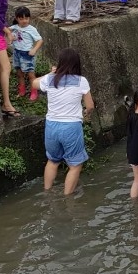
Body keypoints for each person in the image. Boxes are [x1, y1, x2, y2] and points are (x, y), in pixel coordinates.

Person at [38, 48, 95, 194]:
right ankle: (67, 198)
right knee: (75, 165)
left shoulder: (50, 79)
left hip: (51, 126)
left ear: (60, 63)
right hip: (70, 127)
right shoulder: (81, 81)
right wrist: (86, 113)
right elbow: (90, 106)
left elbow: (33, 83)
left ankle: (47, 193)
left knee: (52, 161)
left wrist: (51, 73)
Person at [9, 6, 43, 101]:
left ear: (29, 18)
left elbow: (40, 40)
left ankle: (34, 91)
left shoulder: (31, 29)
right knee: (19, 73)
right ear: (17, 18)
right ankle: (22, 90)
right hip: (16, 53)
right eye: (21, 18)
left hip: (27, 54)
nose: (24, 21)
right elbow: (6, 31)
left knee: (30, 74)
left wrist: (34, 49)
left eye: (26, 18)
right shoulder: (14, 27)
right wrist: (10, 37)